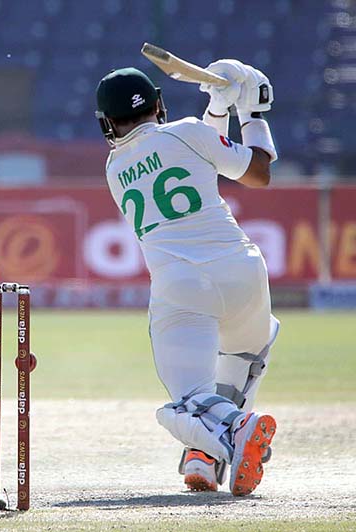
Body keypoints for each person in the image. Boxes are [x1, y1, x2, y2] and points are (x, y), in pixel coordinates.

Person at [95, 62, 280, 496]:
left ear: (107, 122)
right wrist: (251, 112)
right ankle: (204, 457)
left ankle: (235, 429)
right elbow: (255, 172)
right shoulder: (187, 132)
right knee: (241, 364)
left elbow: (192, 149)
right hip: (243, 270)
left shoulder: (114, 167)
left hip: (181, 286)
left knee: (187, 403)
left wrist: (217, 108)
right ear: (159, 104)